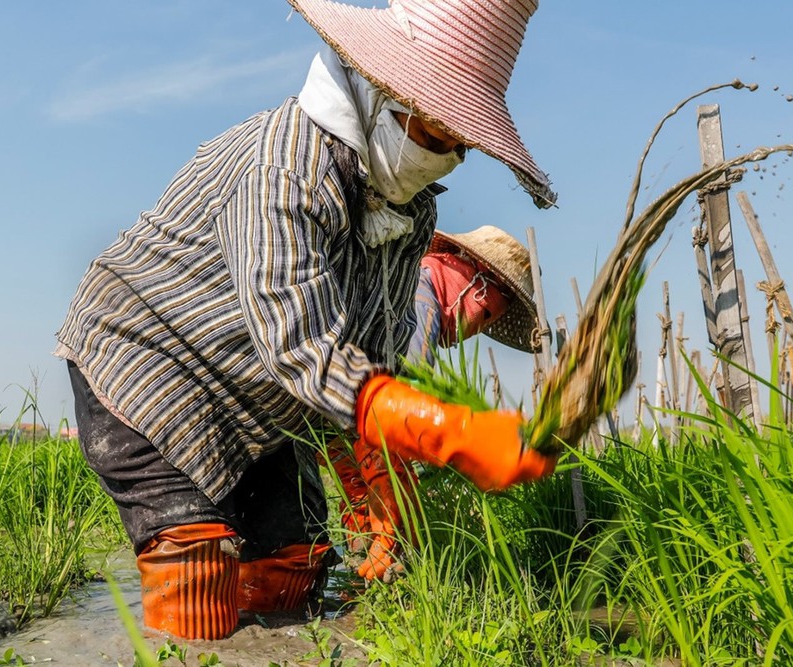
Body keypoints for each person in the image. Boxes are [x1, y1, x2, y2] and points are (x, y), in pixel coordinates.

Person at [55, 0, 557, 640]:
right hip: (151, 365)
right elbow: (304, 349)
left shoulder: (412, 214)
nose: (447, 157)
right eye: (435, 131)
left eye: (462, 144)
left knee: (296, 576)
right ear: (378, 91)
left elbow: (370, 362)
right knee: (199, 599)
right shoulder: (285, 167)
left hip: (265, 404)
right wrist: (449, 431)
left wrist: (383, 494)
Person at [328, 224, 542, 581]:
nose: (470, 331)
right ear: (477, 283)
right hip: (363, 432)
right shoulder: (419, 295)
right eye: (486, 314)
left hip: (317, 420)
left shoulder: (399, 278)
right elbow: (400, 410)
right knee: (393, 530)